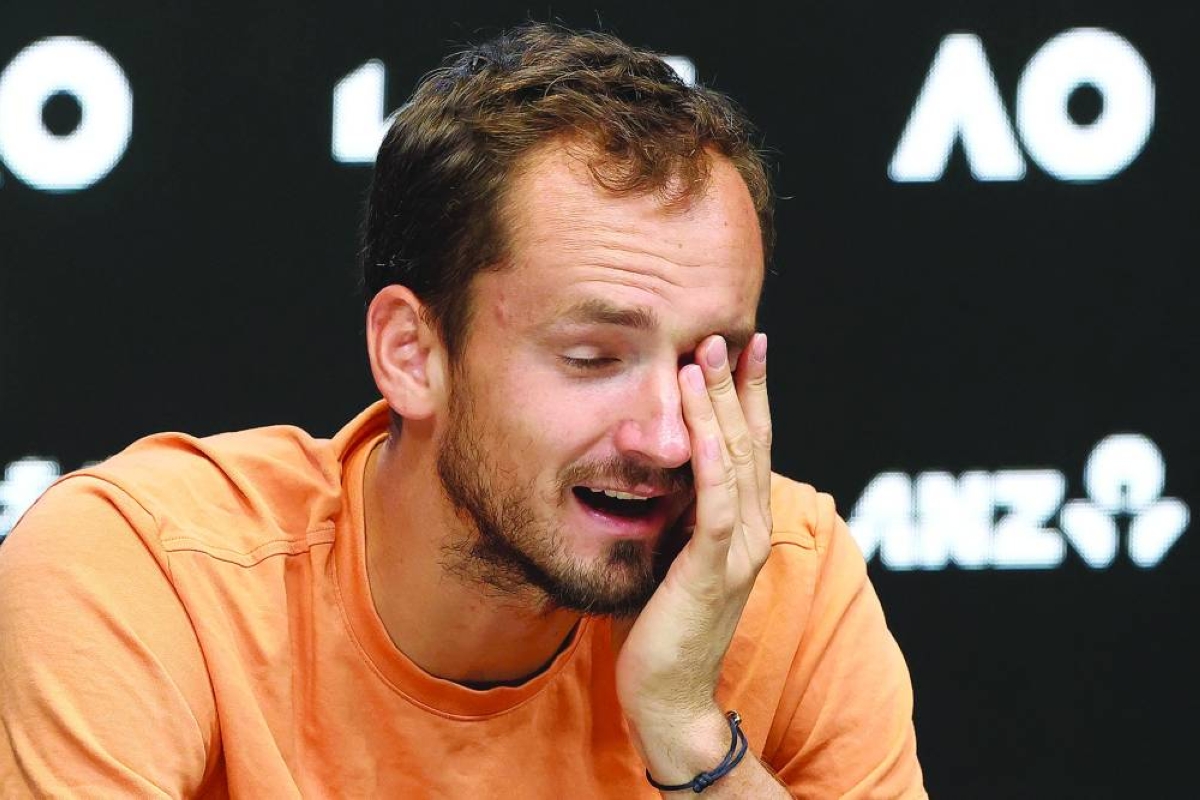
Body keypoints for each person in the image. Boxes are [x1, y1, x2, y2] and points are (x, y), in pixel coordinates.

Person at [0, 23, 924, 798]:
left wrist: (687, 734)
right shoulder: (151, 569)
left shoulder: (785, 576)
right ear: (413, 353)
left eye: (706, 362)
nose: (670, 436)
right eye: (593, 358)